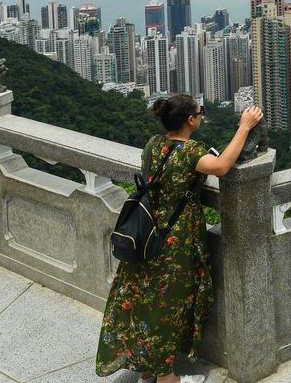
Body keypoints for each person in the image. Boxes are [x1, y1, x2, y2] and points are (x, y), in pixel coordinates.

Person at [96, 95, 263, 383]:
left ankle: (148, 368)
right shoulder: (191, 152)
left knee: (144, 302)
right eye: (200, 112)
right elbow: (222, 166)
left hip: (147, 233)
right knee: (167, 308)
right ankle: (168, 378)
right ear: (190, 120)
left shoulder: (153, 144)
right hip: (175, 242)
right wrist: (244, 127)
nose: (202, 116)